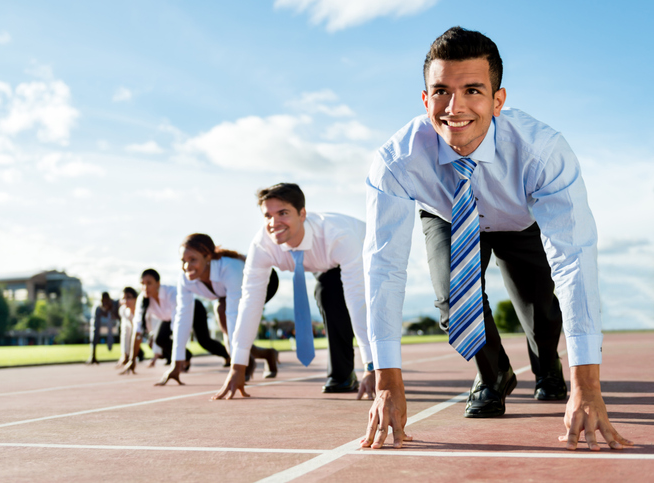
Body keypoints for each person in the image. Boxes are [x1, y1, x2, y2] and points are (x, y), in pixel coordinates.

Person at [361, 26, 632, 451]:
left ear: (498, 100)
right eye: (441, 92)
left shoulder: (543, 152)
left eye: (472, 90)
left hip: (520, 218)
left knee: (541, 310)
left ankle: (548, 369)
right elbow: (384, 265)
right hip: (446, 213)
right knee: (453, 301)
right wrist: (386, 381)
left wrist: (588, 383)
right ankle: (494, 375)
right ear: (424, 98)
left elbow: (575, 257)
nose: (455, 107)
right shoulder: (396, 161)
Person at [213, 183, 375, 400]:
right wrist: (237, 365)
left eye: (283, 213)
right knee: (328, 291)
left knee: (331, 295)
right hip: (322, 263)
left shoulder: (338, 236)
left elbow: (357, 299)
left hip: (366, 253)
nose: (273, 223)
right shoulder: (262, 246)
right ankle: (345, 374)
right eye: (267, 215)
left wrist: (373, 366)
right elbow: (250, 301)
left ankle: (349, 373)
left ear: (302, 214)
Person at [156, 233, 280, 386]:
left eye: (193, 260)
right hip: (229, 292)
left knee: (225, 313)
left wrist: (237, 368)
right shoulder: (184, 279)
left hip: (264, 281)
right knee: (224, 318)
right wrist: (176, 363)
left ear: (207, 257)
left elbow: (234, 316)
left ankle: (246, 362)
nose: (186, 267)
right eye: (183, 261)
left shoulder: (230, 268)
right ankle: (267, 354)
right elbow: (183, 317)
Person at [86, 292, 118, 364]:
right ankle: (93, 356)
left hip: (118, 319)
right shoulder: (98, 308)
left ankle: (136, 352)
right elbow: (95, 329)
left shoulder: (116, 305)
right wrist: (93, 354)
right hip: (103, 318)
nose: (105, 304)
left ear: (110, 300)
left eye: (107, 302)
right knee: (95, 332)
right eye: (103, 302)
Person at [116, 287, 138, 368]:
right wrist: (125, 354)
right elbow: (125, 333)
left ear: (135, 299)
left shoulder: (143, 309)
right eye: (123, 298)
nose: (125, 301)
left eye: (128, 298)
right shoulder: (123, 311)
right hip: (136, 335)